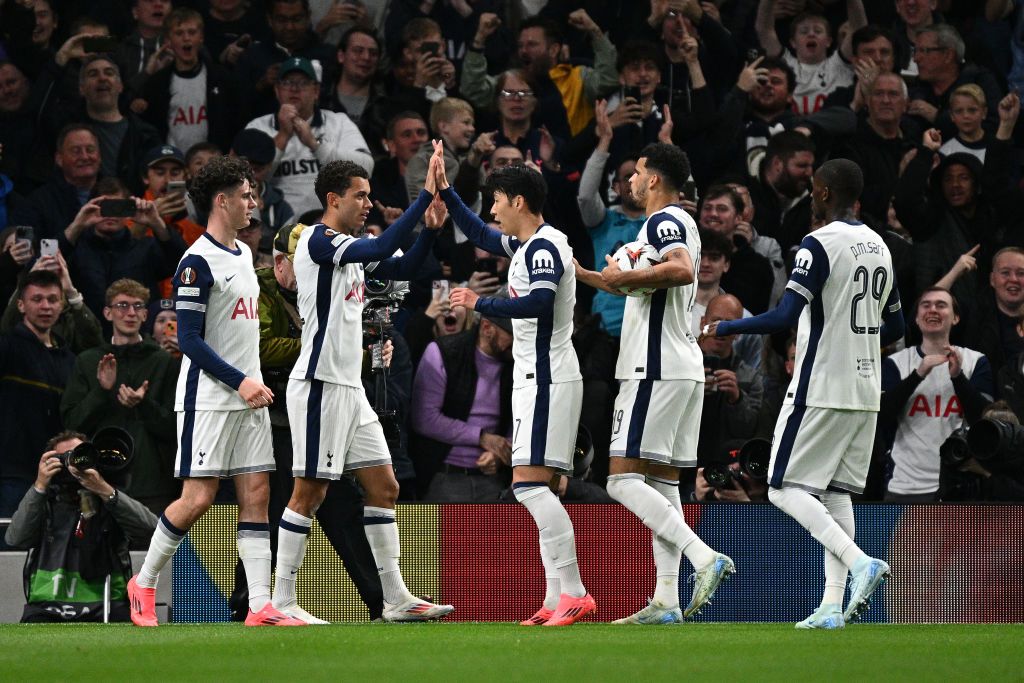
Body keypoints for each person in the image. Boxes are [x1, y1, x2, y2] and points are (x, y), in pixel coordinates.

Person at [702, 158, 905, 628]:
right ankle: (833, 605)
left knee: (781, 488)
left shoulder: (819, 243)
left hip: (821, 384)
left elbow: (783, 317)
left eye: (815, 189)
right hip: (865, 389)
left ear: (826, 193)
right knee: (834, 493)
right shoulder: (880, 247)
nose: (812, 195)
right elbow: (896, 325)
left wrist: (726, 324)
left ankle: (859, 563)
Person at [272, 155, 453, 623]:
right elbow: (382, 248)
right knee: (308, 493)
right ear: (333, 199)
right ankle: (282, 601)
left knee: (384, 486)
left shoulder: (353, 250)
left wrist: (430, 228)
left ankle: (395, 599)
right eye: (360, 195)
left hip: (350, 390)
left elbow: (406, 266)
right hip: (319, 385)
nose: (369, 204)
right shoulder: (318, 240)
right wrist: (423, 197)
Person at [127, 155, 303, 628]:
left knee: (258, 494)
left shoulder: (245, 254)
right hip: (209, 399)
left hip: (250, 397)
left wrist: (250, 383)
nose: (254, 203)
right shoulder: (195, 262)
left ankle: (260, 605)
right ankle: (142, 582)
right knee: (198, 498)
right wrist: (241, 380)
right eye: (246, 195)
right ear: (221, 201)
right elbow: (188, 341)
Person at [575, 142, 734, 625]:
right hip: (680, 366)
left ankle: (704, 558)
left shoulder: (663, 221)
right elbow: (629, 282)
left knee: (621, 480)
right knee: (663, 486)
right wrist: (579, 272)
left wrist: (629, 276)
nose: (630, 181)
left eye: (638, 172)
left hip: (654, 367)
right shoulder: (665, 226)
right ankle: (665, 600)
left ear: (656, 180)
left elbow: (682, 269)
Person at [439, 146, 593, 627]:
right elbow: (482, 231)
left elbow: (541, 305)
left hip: (548, 376)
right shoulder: (531, 245)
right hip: (536, 377)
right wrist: (446, 191)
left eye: (496, 201)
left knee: (528, 487)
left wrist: (480, 304)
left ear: (518, 201)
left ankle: (575, 592)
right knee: (536, 484)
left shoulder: (544, 248)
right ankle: (554, 600)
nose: (491, 211)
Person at [4, 430, 158, 622]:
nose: (72, 464)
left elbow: (152, 530)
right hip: (46, 609)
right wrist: (39, 486)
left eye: (79, 455)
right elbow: (15, 538)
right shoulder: (43, 503)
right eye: (64, 459)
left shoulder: (108, 500)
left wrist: (103, 488)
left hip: (108, 606)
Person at [60, 279, 180, 513]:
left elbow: (177, 428)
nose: (130, 313)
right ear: (107, 312)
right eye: (122, 306)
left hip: (154, 483)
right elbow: (71, 424)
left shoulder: (164, 362)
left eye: (137, 306)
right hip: (100, 481)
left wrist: (143, 405)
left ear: (145, 315)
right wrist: (101, 391)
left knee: (155, 549)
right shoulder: (88, 361)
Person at [880, 287, 993, 502]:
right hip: (905, 485)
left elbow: (984, 420)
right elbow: (881, 417)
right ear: (916, 318)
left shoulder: (975, 361)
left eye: (941, 305)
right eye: (926, 305)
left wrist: (958, 376)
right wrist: (918, 374)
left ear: (956, 318)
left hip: (959, 485)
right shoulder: (896, 362)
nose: (932, 310)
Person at [411, 293, 515, 503]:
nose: (519, 341)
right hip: (445, 474)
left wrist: (503, 451)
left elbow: (524, 416)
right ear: (487, 328)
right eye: (512, 334)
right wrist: (482, 437)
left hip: (495, 477)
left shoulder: (518, 363)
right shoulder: (443, 352)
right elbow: (424, 418)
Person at [245, 56, 374, 218]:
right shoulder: (258, 126)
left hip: (332, 224)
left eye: (303, 83)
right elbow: (246, 180)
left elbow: (366, 169)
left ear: (316, 91)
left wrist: (315, 145)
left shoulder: (339, 122)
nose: (294, 89)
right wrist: (283, 136)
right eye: (287, 82)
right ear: (277, 90)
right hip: (277, 226)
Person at [0, 270, 76, 523]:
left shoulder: (69, 359)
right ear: (20, 304)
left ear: (62, 304)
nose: (46, 306)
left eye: (53, 299)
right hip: (12, 472)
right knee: (10, 549)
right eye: (37, 299)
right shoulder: (7, 347)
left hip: (59, 473)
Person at [755, 0, 867, 115]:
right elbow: (764, 29)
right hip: (791, 131)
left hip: (834, 131)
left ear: (828, 41)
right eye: (804, 32)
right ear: (793, 42)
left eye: (818, 31)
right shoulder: (784, 65)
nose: (811, 34)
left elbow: (859, 28)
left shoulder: (841, 65)